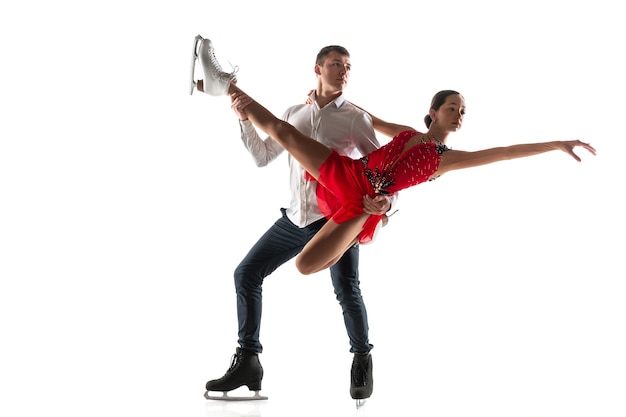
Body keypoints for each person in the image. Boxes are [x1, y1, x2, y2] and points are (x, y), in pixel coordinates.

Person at [193, 35, 597, 278]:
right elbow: (365, 114)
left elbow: (504, 152)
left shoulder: (443, 160)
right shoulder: (405, 133)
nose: (458, 115)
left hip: (361, 205)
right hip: (347, 172)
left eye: (463, 111)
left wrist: (557, 144)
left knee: (304, 266)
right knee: (284, 129)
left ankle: (354, 231)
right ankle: (223, 83)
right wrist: (317, 100)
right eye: (452, 107)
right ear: (434, 111)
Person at [189, 35, 402, 402]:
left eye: (349, 67)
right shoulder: (293, 114)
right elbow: (262, 156)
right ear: (317, 69)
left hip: (335, 222)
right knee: (246, 273)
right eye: (337, 64)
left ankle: (362, 357)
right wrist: (244, 121)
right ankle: (248, 361)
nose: (344, 72)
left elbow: (384, 170)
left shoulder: (355, 119)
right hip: (294, 219)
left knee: (346, 289)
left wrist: (384, 202)